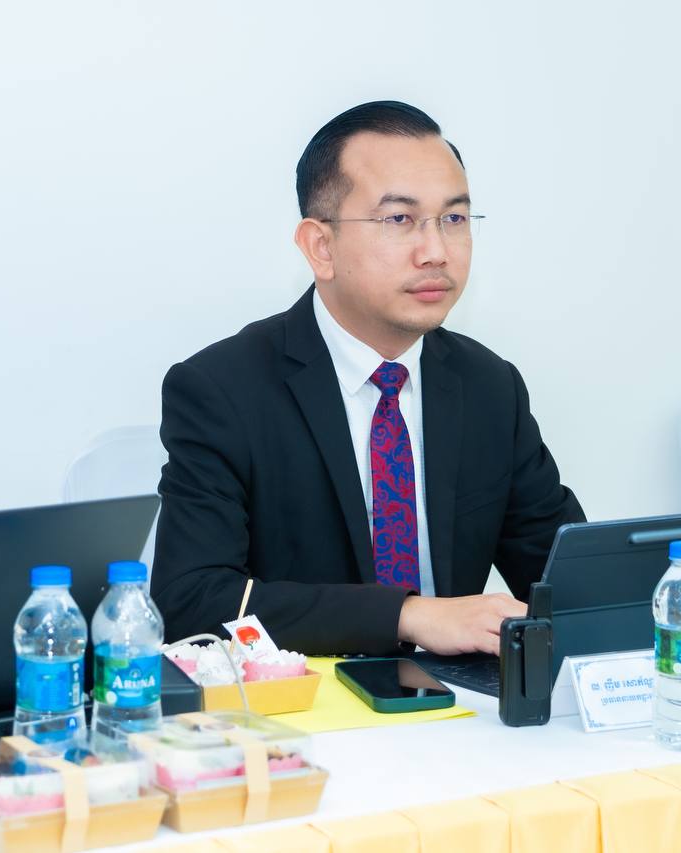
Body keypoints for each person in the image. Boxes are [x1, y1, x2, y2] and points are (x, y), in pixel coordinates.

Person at [151, 100, 583, 659]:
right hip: (305, 699)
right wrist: (409, 616)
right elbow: (191, 601)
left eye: (454, 219)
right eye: (399, 220)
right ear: (321, 247)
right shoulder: (222, 390)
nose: (436, 252)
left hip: (459, 701)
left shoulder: (489, 386)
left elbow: (566, 580)